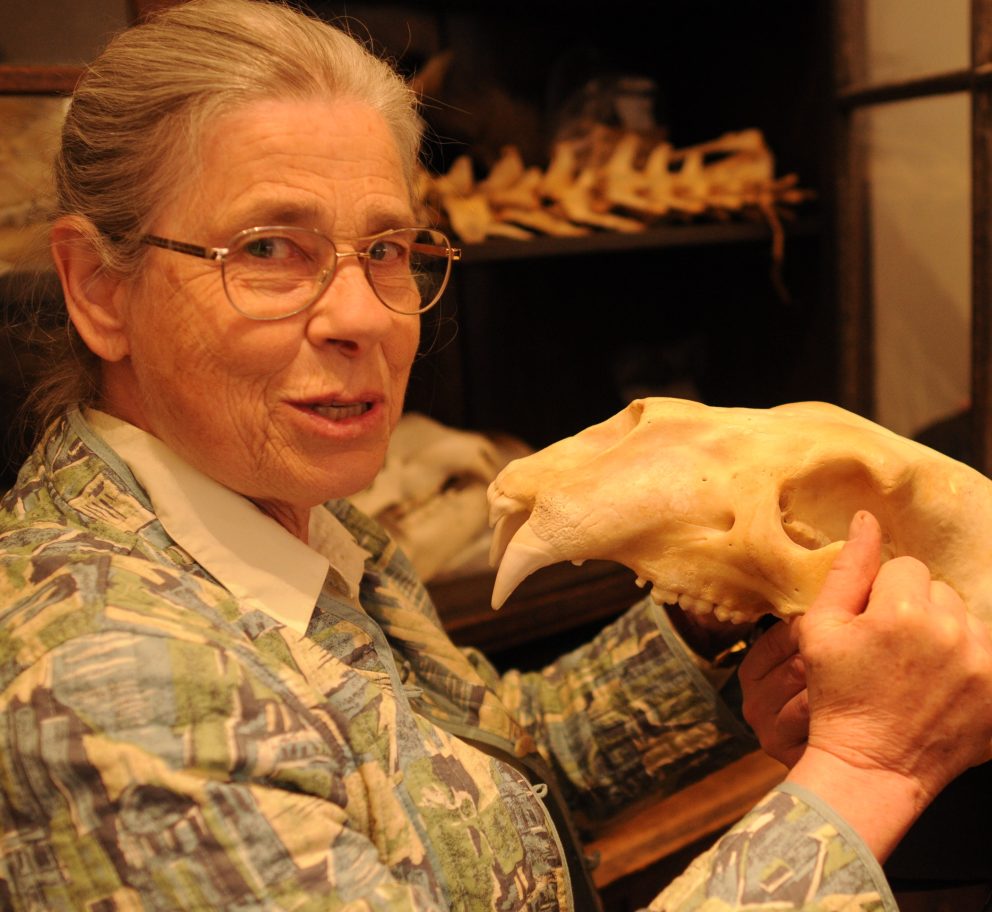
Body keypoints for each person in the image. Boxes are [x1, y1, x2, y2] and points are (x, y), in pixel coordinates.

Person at [0, 1, 989, 909]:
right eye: (267, 249)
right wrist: (864, 773)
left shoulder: (291, 524)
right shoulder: (108, 688)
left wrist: (707, 634)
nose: (364, 318)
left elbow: (474, 764)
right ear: (97, 288)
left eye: (385, 250)